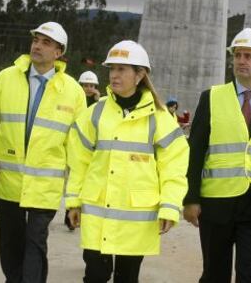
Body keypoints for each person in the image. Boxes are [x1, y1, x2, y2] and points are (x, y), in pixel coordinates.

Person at [0, 21, 86, 283]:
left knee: (35, 243)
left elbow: (78, 145)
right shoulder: (5, 79)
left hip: (45, 185)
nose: (37, 45)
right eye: (36, 39)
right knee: (10, 244)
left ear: (59, 52)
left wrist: (75, 195)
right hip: (8, 180)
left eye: (46, 42)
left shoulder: (73, 92)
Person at [66, 40, 189, 283]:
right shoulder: (95, 113)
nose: (114, 75)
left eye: (122, 69)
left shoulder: (160, 118)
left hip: (136, 219)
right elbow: (79, 163)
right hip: (97, 213)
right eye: (112, 69)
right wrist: (73, 202)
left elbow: (173, 168)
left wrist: (170, 206)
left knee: (127, 278)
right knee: (95, 276)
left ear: (140, 74)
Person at [183, 27, 251, 283]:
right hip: (216, 202)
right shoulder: (211, 98)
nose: (241, 61)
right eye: (238, 55)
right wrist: (190, 198)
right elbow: (196, 152)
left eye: (248, 56)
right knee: (214, 274)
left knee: (249, 275)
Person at [63, 70, 102, 231]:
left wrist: (98, 99)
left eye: (91, 85)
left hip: (88, 149)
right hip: (72, 146)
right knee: (72, 181)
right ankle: (69, 214)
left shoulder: (99, 104)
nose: (88, 88)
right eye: (85, 85)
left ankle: (81, 213)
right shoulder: (74, 99)